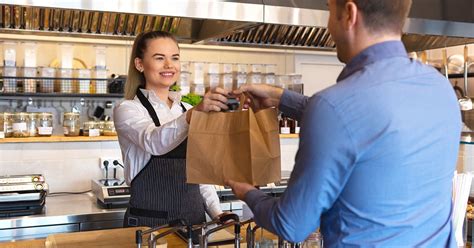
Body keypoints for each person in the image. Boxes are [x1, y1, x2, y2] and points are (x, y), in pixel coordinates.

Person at [227, 0, 461, 246]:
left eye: (329, 11)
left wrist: (247, 192)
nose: (328, 27)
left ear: (349, 13)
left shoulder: (333, 107)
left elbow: (291, 224)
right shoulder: (440, 88)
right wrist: (281, 98)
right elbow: (362, 123)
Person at [114, 31, 231, 227]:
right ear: (139, 64)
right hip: (149, 226)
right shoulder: (127, 110)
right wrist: (195, 114)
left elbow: (199, 172)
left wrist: (217, 212)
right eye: (159, 58)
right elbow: (154, 142)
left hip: (194, 223)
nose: (169, 65)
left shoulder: (185, 109)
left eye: (174, 58)